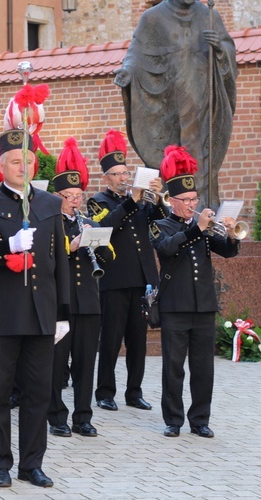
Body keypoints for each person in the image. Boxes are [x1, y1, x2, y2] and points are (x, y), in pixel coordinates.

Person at [0, 129, 70, 489]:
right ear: (0, 165)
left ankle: (32, 463)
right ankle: (0, 463)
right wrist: (6, 245)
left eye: (28, 161)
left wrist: (64, 313)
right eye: (15, 161)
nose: (22, 167)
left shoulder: (50, 204)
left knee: (39, 392)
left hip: (41, 313)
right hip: (2, 313)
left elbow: (60, 263)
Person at [149, 145, 240, 438]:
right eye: (186, 200)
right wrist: (195, 229)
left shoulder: (205, 227)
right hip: (175, 306)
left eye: (194, 199)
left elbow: (226, 252)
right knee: (173, 367)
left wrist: (230, 233)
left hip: (203, 306)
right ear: (172, 201)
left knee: (204, 369)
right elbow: (166, 248)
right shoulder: (160, 225)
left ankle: (200, 419)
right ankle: (173, 420)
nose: (191, 204)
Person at [115, 0, 237, 209]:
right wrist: (128, 71)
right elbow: (135, 54)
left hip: (201, 103)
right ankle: (169, 208)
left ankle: (202, 207)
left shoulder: (209, 15)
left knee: (199, 155)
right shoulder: (152, 17)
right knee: (168, 155)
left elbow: (228, 51)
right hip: (166, 104)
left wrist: (220, 49)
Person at [87, 130, 167, 413]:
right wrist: (131, 200)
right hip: (113, 280)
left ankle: (134, 392)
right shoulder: (97, 201)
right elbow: (104, 229)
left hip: (142, 279)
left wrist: (155, 198)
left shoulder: (143, 200)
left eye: (125, 173)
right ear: (106, 177)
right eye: (117, 174)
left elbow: (162, 221)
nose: (123, 178)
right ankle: (105, 392)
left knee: (138, 340)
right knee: (110, 339)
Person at [48, 138, 114, 439]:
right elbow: (46, 258)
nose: (75, 200)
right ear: (56, 196)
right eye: (68, 195)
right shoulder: (50, 224)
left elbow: (109, 256)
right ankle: (56, 415)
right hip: (61, 303)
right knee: (57, 362)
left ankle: (83, 416)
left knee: (86, 362)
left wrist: (95, 241)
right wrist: (71, 246)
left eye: (78, 195)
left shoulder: (87, 221)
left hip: (88, 302)